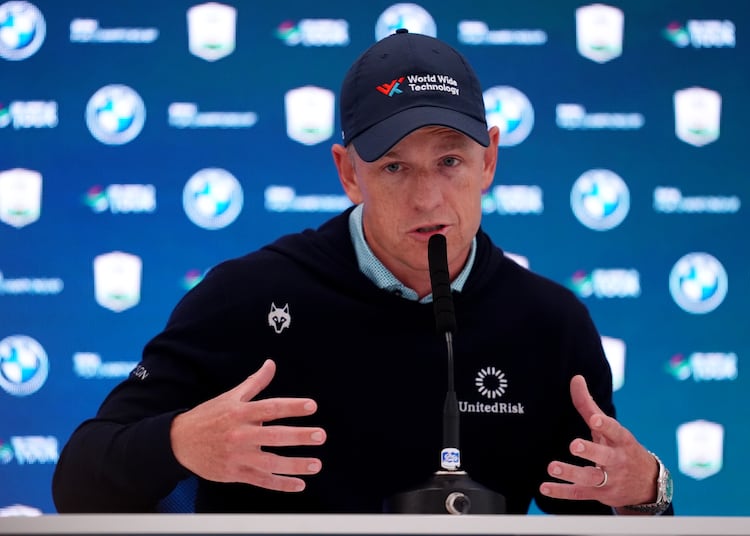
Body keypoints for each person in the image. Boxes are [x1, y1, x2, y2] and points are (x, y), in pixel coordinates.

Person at [52, 29, 674, 516]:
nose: (429, 199)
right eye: (395, 168)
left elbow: (595, 515)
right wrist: (181, 442)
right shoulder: (246, 297)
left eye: (450, 160)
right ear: (349, 173)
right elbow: (78, 479)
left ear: (490, 160)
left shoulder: (550, 324)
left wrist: (646, 491)